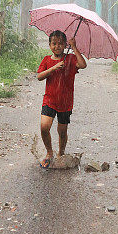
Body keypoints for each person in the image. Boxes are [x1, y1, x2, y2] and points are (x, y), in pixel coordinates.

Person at [37, 30, 87, 167]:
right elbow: (39, 76)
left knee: (62, 131)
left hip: (65, 102)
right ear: (49, 45)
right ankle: (49, 153)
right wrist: (53, 68)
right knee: (44, 127)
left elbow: (83, 65)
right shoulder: (47, 60)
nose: (57, 46)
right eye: (54, 43)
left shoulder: (70, 59)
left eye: (60, 43)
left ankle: (61, 153)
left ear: (65, 45)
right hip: (50, 100)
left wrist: (75, 47)